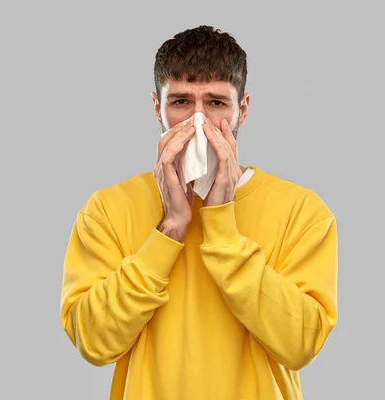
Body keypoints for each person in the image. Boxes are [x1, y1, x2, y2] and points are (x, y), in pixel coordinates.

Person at [59, 25, 338, 400]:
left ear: (243, 109)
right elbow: (93, 341)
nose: (199, 122)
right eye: (181, 103)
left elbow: (301, 343)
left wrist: (221, 225)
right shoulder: (108, 210)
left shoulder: (301, 212)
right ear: (157, 108)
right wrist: (169, 228)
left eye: (217, 103)